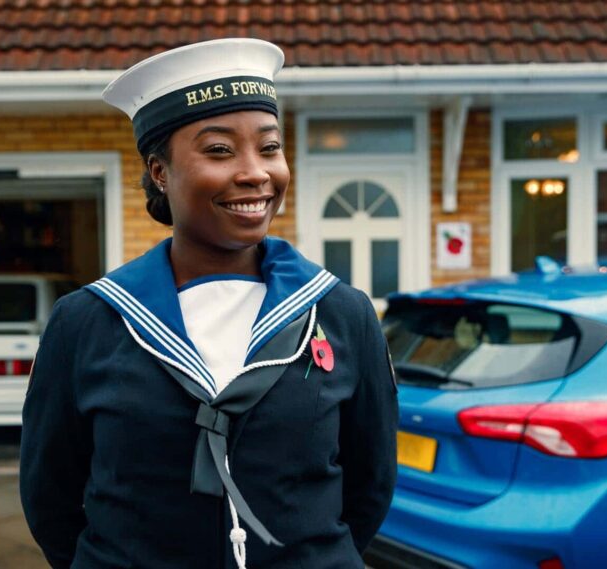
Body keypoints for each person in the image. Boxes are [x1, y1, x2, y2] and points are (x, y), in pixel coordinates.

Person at [20, 38, 398, 569]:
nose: (255, 172)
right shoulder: (89, 321)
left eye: (269, 148)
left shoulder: (341, 314)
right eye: (219, 150)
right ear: (158, 171)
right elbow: (50, 500)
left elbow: (370, 486)